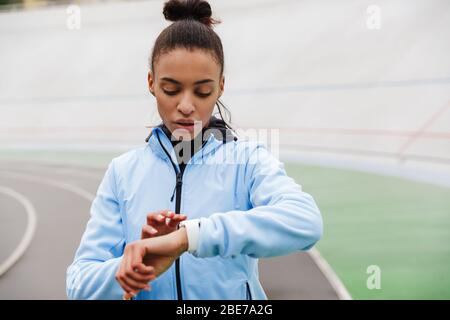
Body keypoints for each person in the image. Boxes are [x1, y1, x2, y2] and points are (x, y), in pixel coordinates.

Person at [66, 0, 323, 300]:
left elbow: (305, 221)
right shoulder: (122, 172)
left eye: (202, 91)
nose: (186, 106)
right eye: (171, 89)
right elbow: (79, 286)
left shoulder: (248, 159)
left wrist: (189, 238)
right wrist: (139, 266)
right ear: (151, 83)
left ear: (220, 87)